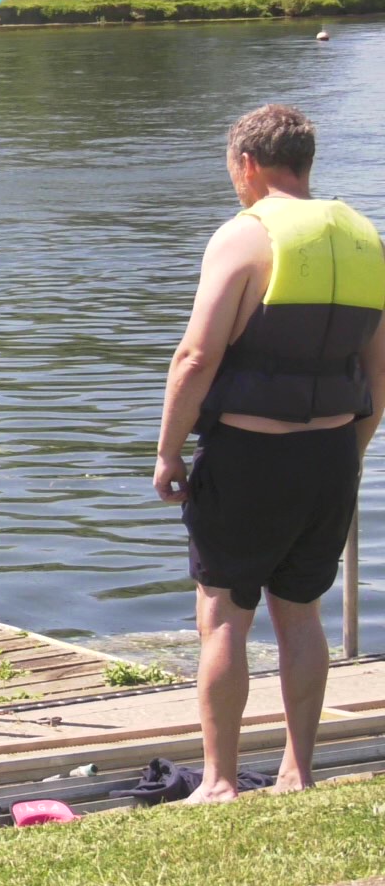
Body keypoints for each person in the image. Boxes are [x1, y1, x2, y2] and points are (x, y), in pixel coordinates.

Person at [154, 104, 385, 803]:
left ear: (247, 165)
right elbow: (381, 372)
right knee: (301, 610)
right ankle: (298, 772)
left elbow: (196, 356)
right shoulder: (364, 237)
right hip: (330, 460)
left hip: (250, 457)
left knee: (223, 611)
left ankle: (220, 780)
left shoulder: (245, 236)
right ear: (305, 164)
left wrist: (168, 452)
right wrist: (354, 446)